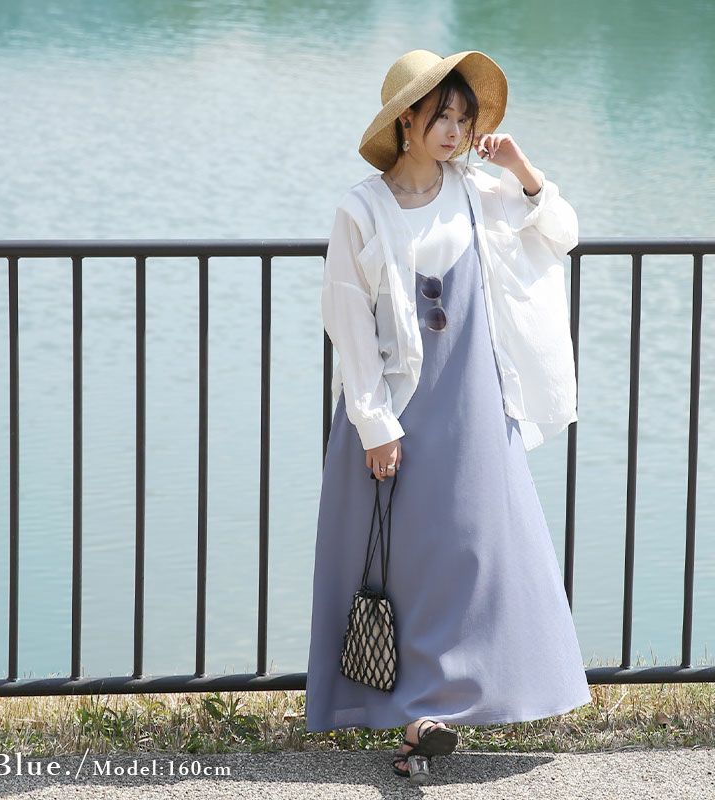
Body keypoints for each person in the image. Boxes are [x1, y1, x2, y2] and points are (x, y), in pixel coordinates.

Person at [304, 49, 592, 783]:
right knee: (400, 564)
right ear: (406, 119)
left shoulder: (479, 191)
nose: (455, 130)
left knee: (478, 554)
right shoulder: (360, 208)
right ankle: (414, 716)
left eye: (464, 118)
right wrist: (375, 426)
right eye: (442, 115)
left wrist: (522, 167)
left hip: (474, 403)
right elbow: (348, 323)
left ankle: (440, 709)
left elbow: (561, 231)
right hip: (396, 412)